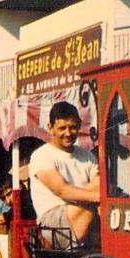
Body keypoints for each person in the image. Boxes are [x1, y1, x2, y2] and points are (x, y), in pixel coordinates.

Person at [29, 101, 99, 248]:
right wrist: (100, 198)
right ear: (50, 128)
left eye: (72, 127)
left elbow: (99, 184)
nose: (68, 133)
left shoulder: (87, 156)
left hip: (80, 214)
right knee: (91, 208)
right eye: (62, 128)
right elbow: (62, 190)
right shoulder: (41, 156)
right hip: (53, 222)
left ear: (79, 125)